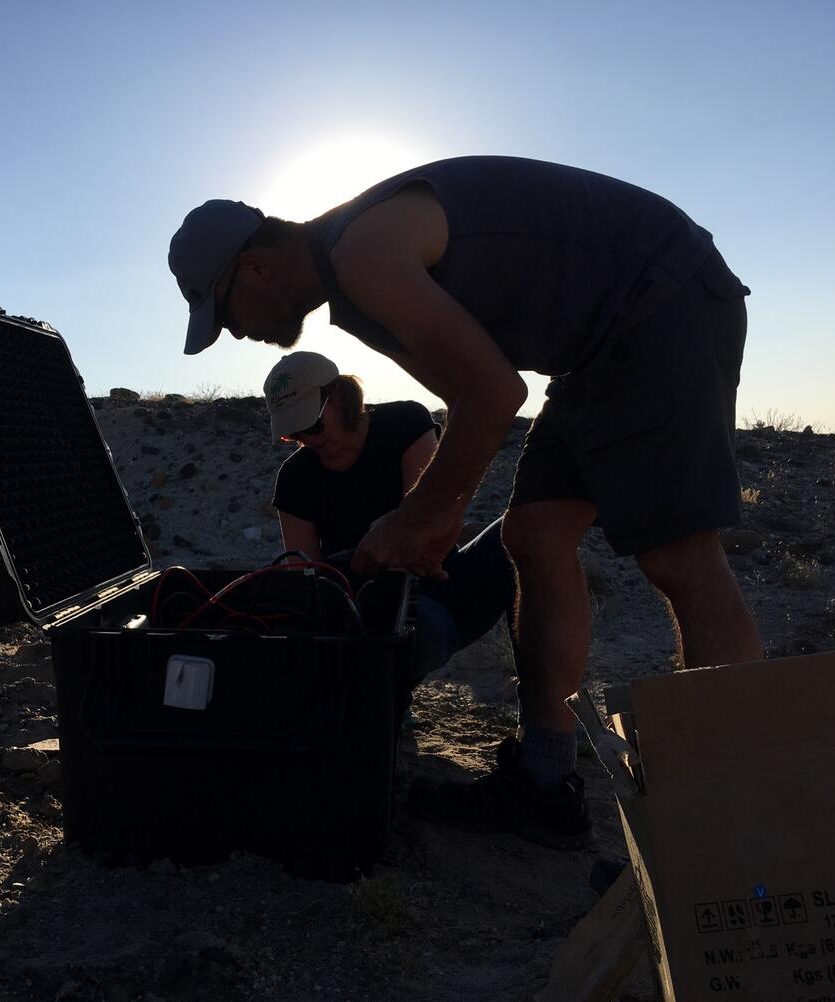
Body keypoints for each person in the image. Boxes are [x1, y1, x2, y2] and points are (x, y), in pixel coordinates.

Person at [168, 156, 763, 850]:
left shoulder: (361, 255)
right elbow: (475, 393)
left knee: (681, 556)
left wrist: (422, 513)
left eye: (222, 312)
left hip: (660, 298)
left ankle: (737, 816)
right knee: (534, 535)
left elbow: (493, 396)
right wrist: (433, 509)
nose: (234, 332)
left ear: (255, 269)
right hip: (600, 345)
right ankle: (544, 783)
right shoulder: (352, 281)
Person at [262, 349, 515, 690]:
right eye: (295, 435)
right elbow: (306, 580)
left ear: (340, 396)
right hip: (367, 607)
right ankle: (385, 692)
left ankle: (541, 708)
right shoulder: (295, 478)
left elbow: (428, 525)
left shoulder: (405, 424)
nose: (309, 440)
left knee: (519, 533)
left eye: (313, 424)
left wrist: (397, 548)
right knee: (416, 630)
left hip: (439, 580)